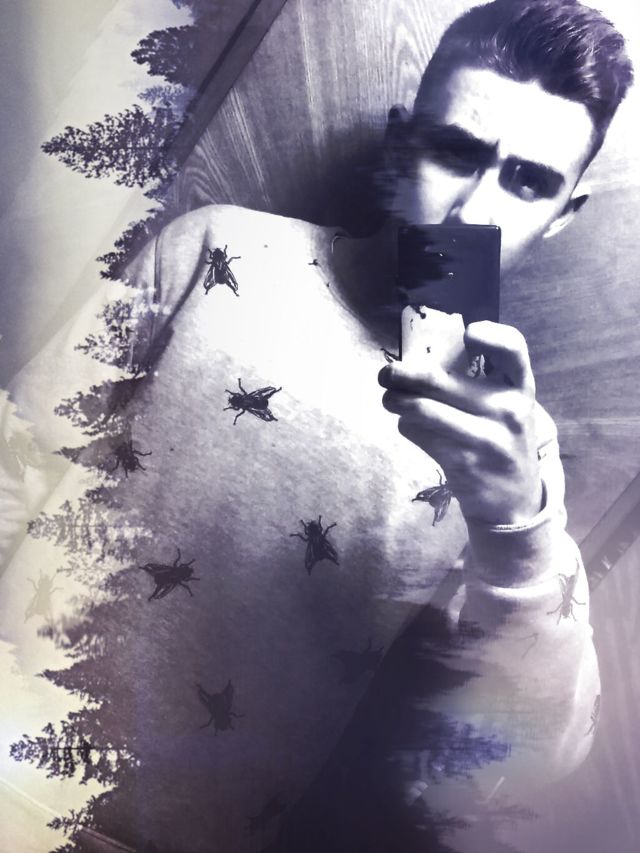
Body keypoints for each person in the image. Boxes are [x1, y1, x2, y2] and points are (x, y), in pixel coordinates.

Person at [0, 1, 633, 851]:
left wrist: (517, 530)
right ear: (402, 144)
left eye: (527, 181)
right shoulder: (217, 248)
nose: (474, 211)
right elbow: (21, 455)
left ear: (562, 213)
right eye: (455, 151)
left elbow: (525, 756)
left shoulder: (512, 453)